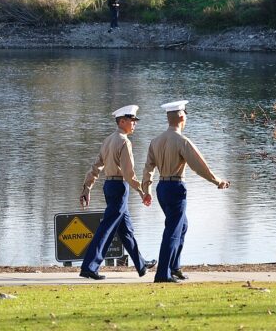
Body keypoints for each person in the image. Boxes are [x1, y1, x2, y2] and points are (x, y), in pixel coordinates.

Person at [142, 100, 230, 283]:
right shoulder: (182, 141)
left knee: (182, 226)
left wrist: (146, 190)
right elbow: (199, 166)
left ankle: (174, 268)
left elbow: (148, 168)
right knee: (173, 230)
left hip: (161, 188)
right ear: (182, 117)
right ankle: (163, 274)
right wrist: (217, 181)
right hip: (175, 188)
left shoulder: (155, 141)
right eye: (186, 115)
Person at [79, 105, 156, 280]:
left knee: (126, 230)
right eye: (132, 121)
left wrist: (87, 187)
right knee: (106, 228)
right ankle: (89, 267)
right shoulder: (124, 142)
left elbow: (96, 167)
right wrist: (142, 191)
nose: (135, 124)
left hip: (109, 186)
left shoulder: (107, 140)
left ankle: (141, 264)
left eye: (135, 121)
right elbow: (129, 174)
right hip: (120, 188)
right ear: (122, 121)